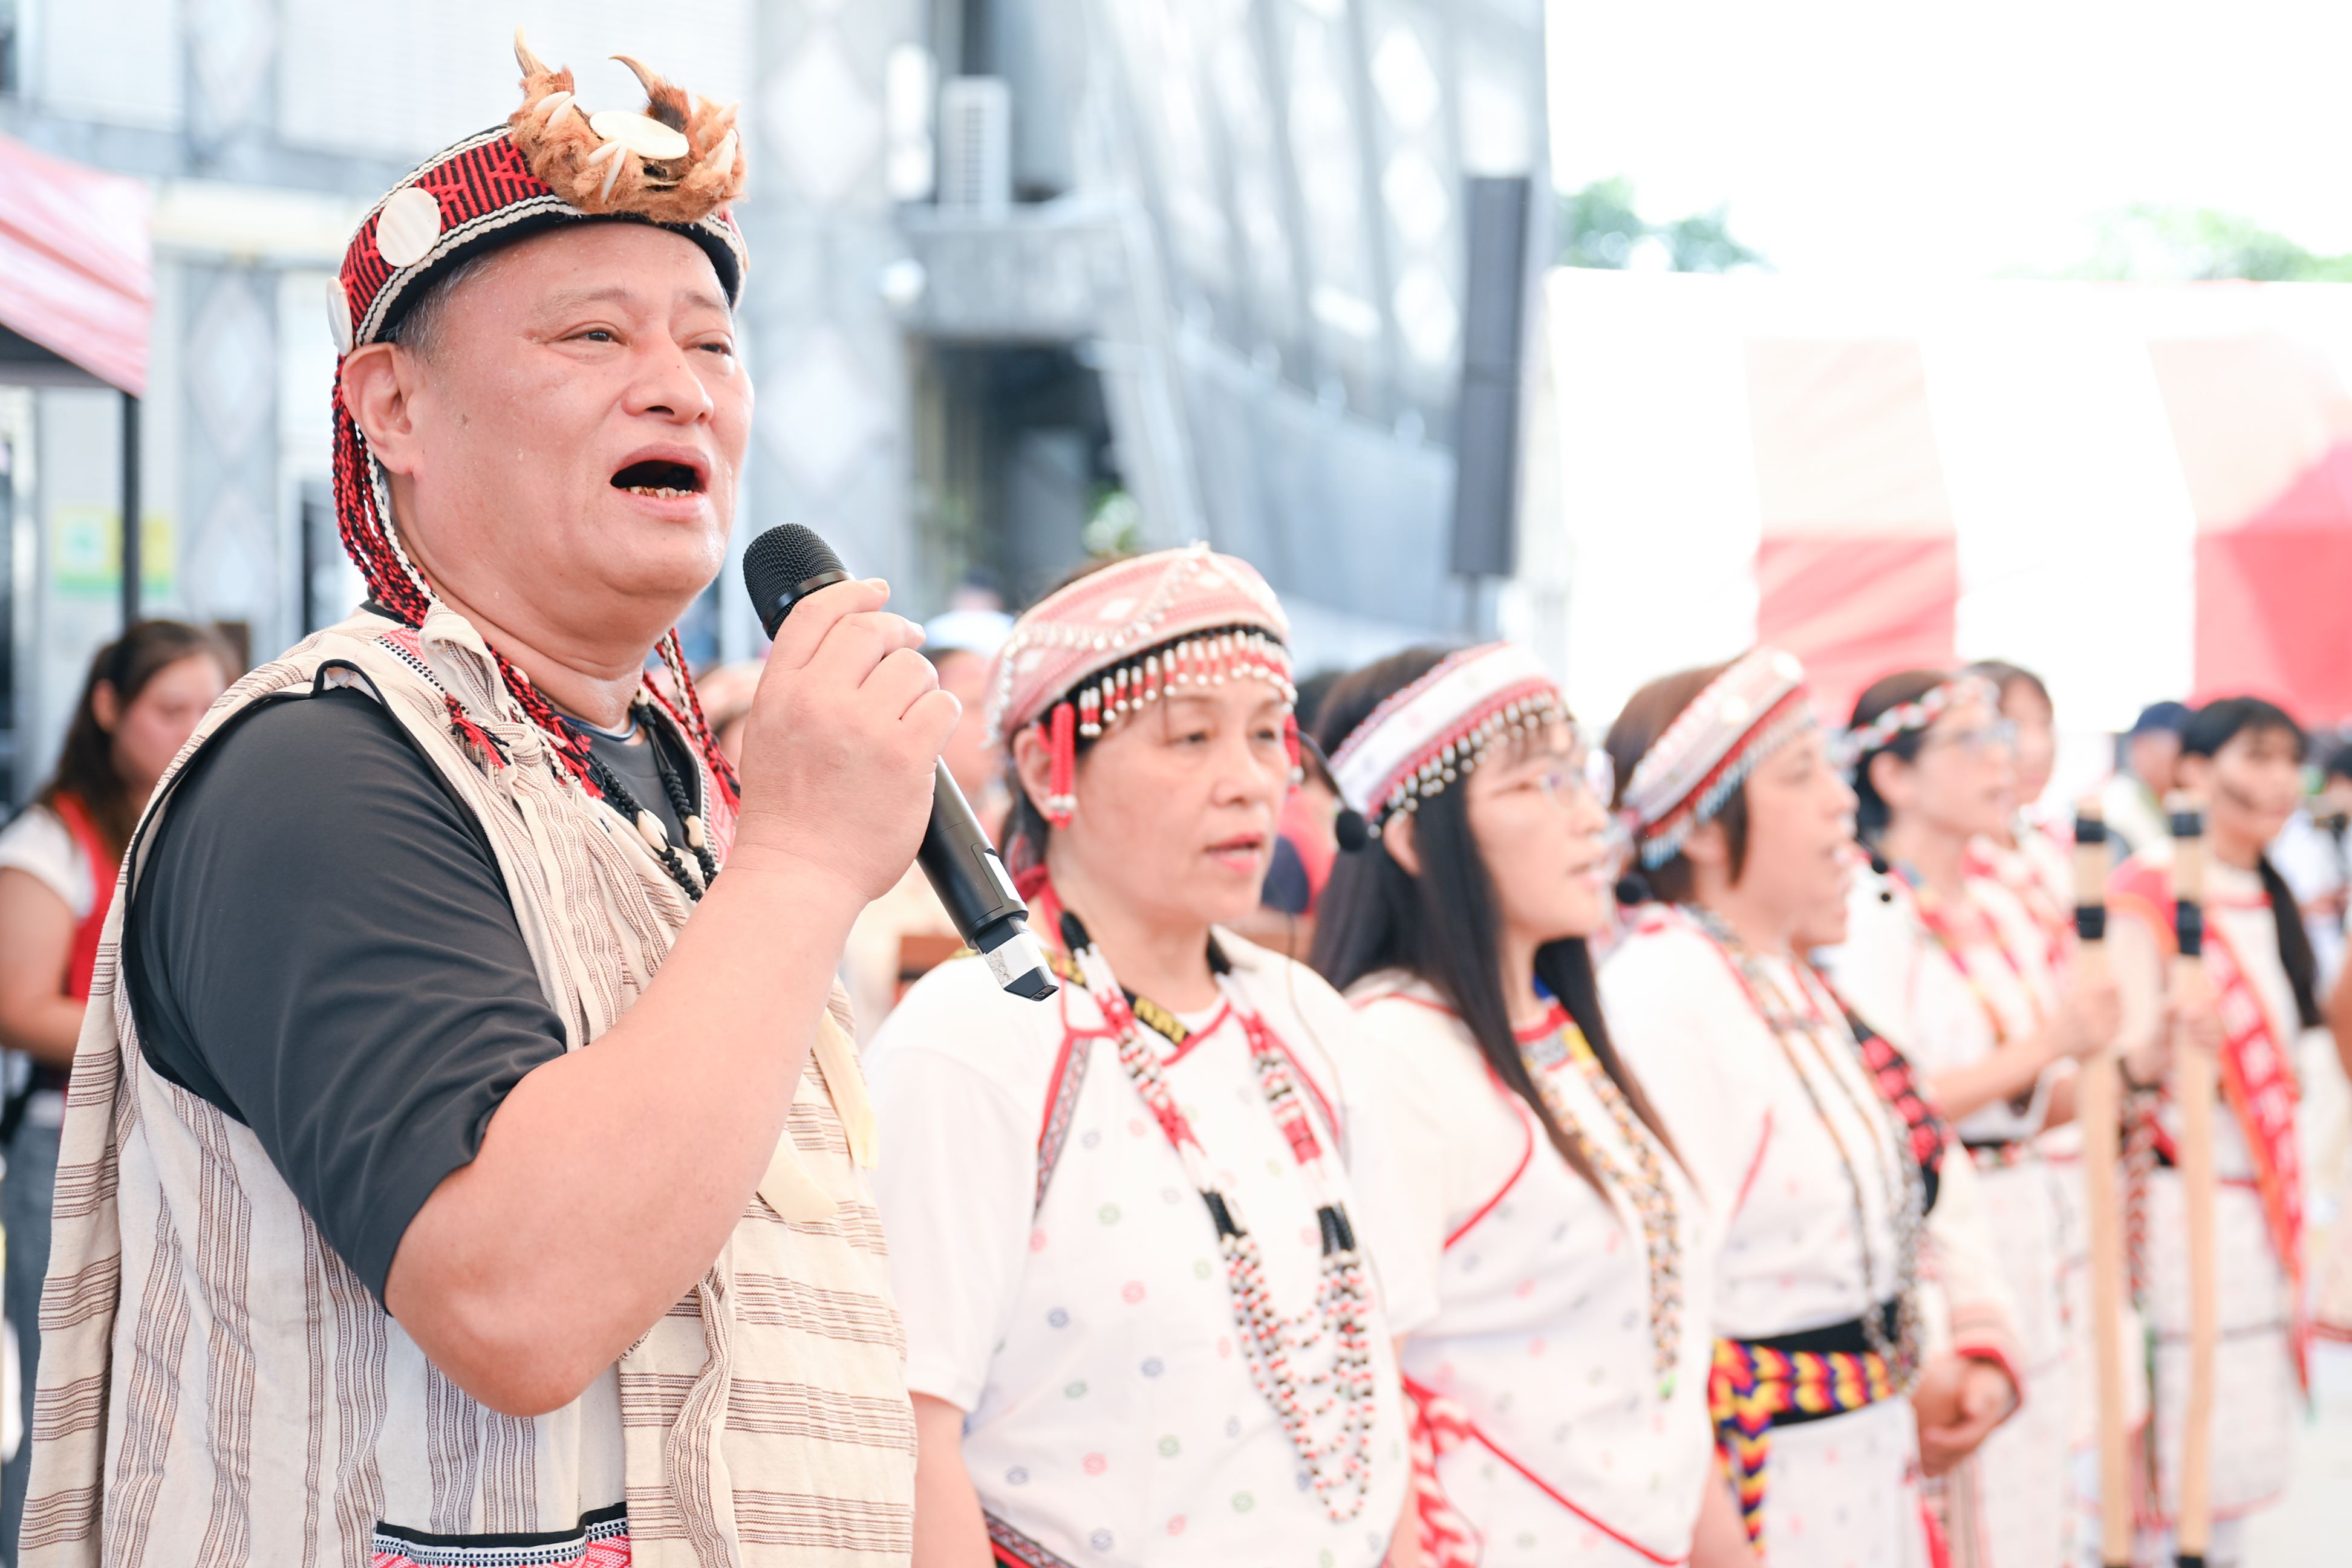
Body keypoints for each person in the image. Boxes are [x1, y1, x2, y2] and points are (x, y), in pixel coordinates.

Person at [21, 36, 945, 1564]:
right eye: (591, 334)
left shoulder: (671, 773)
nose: (675, 387)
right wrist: (799, 856)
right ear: (389, 406)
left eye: (711, 347)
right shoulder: (318, 771)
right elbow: (518, 1299)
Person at [865, 546, 1431, 1568]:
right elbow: (910, 1429)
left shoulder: (1310, 1019)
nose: (1250, 782)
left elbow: (1378, 1386)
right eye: (1189, 737)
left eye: (1267, 737)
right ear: (1048, 766)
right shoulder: (975, 1037)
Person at [1598, 648, 2024, 1567]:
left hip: (1864, 1461)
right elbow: (1658, 1316)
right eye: (1802, 775)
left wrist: (1943, 1362)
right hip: (1767, 1493)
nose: (1840, 801)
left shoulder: (1790, 982)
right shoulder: (1665, 993)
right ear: (1703, 828)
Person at [1309, 643, 1733, 1567]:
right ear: (1418, 840)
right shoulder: (1392, 1052)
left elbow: (1664, 1378)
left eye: (1576, 775)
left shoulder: (1558, 1027)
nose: (1590, 819)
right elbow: (1359, 1401)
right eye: (1534, 784)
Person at [1825, 669, 2120, 1567]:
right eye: (1972, 741)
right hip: (1948, 1226)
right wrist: (2047, 1048)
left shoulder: (2000, 903)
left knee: (2041, 1478)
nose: (2005, 759)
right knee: (1968, 1492)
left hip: (2035, 1208)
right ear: (1894, 776)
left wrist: (2121, 1063)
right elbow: (1879, 1103)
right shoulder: (1868, 915)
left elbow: (2043, 1094)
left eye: (2005, 736)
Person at [0, 620, 232, 1560]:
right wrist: (163, 1038)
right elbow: (16, 1005)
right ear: (109, 710)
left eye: (207, 709)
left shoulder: (199, 821)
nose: (190, 729)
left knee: (161, 1392)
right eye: (168, 709)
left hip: (175, 1142)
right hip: (60, 1143)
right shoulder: (51, 838)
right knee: (68, 1395)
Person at [2100, 696, 2322, 1567]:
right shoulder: (2146, 893)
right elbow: (2121, 1062)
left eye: (2287, 760)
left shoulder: (2271, 891)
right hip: (2175, 1205)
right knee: (2167, 1459)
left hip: (2255, 1211)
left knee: (2230, 1456)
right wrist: (2155, 1046)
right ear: (2190, 770)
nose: (2275, 781)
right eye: (2255, 756)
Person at [842, 607, 1016, 1038]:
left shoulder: (1022, 824)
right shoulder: (869, 827)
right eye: (976, 704)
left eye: (1000, 705)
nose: (996, 724)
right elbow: (875, 971)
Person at [1964, 660, 2074, 967]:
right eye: (2013, 725)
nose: (2039, 747)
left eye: (2045, 723)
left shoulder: (2044, 845)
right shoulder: (1957, 859)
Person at [2100, 702, 2191, 857]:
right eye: (2183, 748)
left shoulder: (2157, 801)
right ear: (2141, 746)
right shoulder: (2118, 808)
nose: (2187, 761)